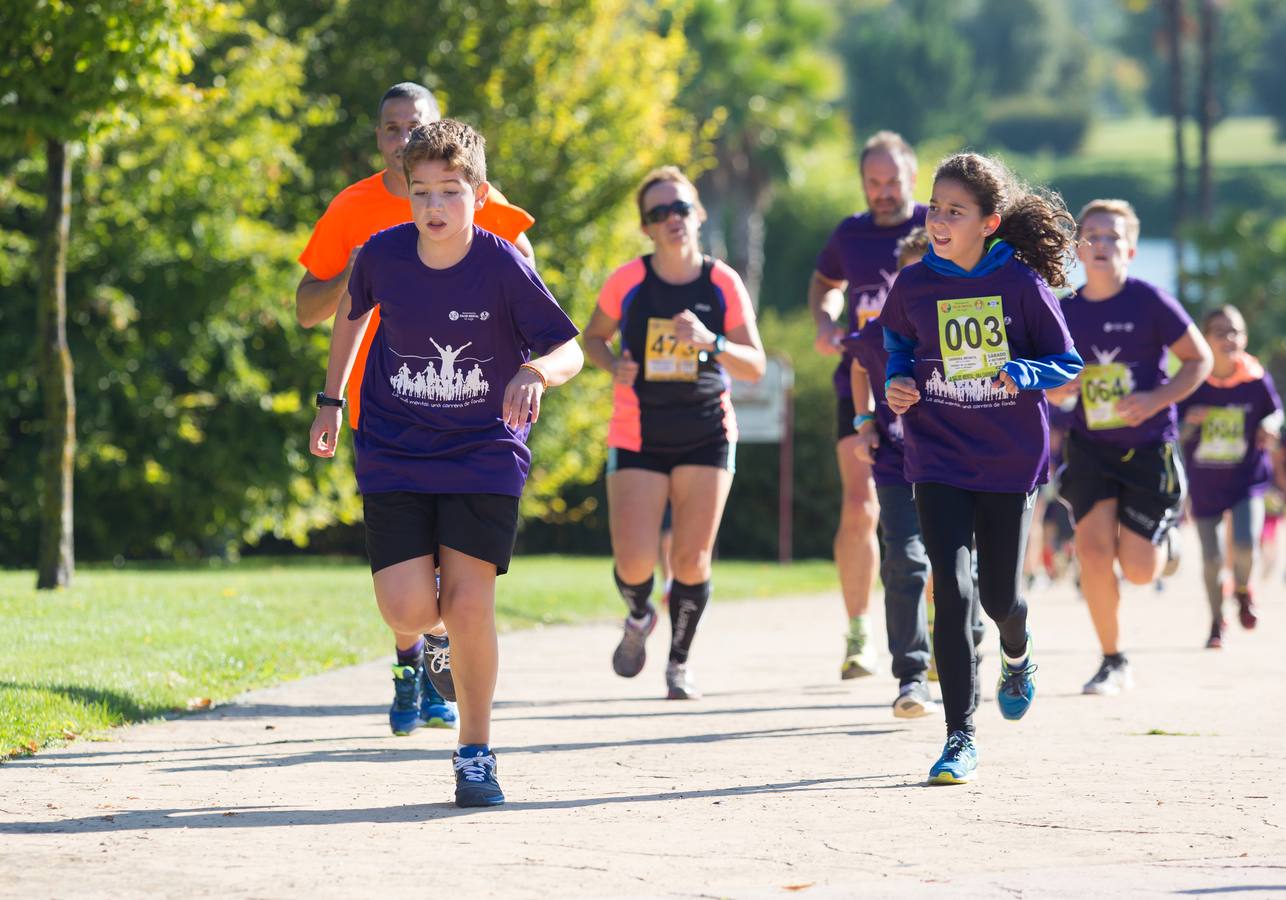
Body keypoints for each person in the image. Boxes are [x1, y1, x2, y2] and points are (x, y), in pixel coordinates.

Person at [308, 120, 583, 806]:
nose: (435, 207)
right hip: (396, 448)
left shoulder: (501, 263)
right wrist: (330, 399)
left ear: (480, 194)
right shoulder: (382, 255)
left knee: (468, 604)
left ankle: (476, 752)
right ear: (405, 194)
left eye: (451, 192)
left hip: (482, 452)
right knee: (405, 604)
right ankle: (431, 644)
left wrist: (535, 373)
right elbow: (350, 314)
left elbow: (568, 348)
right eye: (421, 191)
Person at [296, 82, 535, 735]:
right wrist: (360, 273)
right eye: (392, 129)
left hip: (470, 418)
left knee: (457, 591)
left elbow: (526, 291)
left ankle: (452, 700)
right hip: (385, 412)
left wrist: (528, 368)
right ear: (383, 143)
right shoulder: (356, 212)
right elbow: (312, 308)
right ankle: (415, 650)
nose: (405, 139)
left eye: (417, 127)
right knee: (408, 594)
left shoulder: (481, 204)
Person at [881, 152, 1084, 784]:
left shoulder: (1022, 285)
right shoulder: (915, 283)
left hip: (1007, 457)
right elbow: (897, 341)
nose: (938, 221)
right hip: (937, 451)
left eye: (954, 212)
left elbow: (1067, 361)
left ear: (989, 223)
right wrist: (896, 382)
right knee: (952, 585)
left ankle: (1017, 653)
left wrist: (1024, 371)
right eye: (934, 208)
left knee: (999, 596)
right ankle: (959, 736)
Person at [584, 166, 766, 700]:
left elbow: (754, 365)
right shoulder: (628, 281)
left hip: (707, 430)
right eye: (659, 213)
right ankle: (640, 613)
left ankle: (679, 663)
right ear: (646, 227)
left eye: (681, 208)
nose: (672, 220)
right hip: (638, 430)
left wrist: (711, 342)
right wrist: (612, 362)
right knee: (634, 561)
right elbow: (593, 337)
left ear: (698, 213)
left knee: (690, 559)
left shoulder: (722, 282)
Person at [1048, 199, 1212, 696]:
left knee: (1139, 571)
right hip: (1090, 447)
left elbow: (1198, 360)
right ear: (1078, 247)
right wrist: (1060, 390)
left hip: (1146, 447)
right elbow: (1049, 383)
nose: (1101, 244)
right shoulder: (1063, 310)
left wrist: (1156, 397)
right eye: (1092, 235)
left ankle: (1165, 544)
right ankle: (1113, 660)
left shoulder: (1150, 302)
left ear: (1131, 249)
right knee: (1095, 554)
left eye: (1112, 237)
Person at [847, 227, 982, 718]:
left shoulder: (966, 319)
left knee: (963, 566)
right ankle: (911, 676)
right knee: (904, 560)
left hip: (959, 464)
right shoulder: (883, 327)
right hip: (896, 462)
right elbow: (858, 363)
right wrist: (863, 420)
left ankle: (970, 654)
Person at [809, 131, 928, 679]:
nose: (882, 193)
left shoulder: (938, 222)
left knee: (934, 509)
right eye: (872, 183)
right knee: (860, 508)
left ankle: (936, 626)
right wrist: (826, 319)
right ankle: (858, 636)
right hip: (859, 385)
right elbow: (824, 282)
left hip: (934, 389)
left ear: (911, 176)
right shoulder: (850, 234)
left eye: (892, 182)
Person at [1178, 305, 1282, 648]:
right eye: (1220, 331)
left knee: (1246, 543)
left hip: (1246, 479)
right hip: (1206, 482)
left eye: (1235, 331)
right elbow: (1170, 428)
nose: (1229, 338)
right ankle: (1216, 620)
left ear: (1245, 337)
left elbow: (1275, 412)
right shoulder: (1192, 378)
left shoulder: (1255, 377)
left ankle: (1242, 588)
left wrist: (1269, 426)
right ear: (1205, 339)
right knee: (1210, 559)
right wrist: (1188, 423)